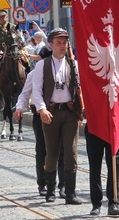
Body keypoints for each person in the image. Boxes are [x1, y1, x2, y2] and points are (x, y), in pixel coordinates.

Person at [31, 28, 83, 205]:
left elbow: (81, 89)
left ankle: (70, 192)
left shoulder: (74, 65)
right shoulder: (42, 65)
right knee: (51, 152)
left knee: (71, 151)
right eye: (58, 42)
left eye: (65, 42)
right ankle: (50, 190)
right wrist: (42, 109)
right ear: (51, 44)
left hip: (69, 113)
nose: (62, 46)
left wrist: (81, 113)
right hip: (51, 112)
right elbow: (36, 90)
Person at [14, 46, 66, 199]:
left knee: (62, 150)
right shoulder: (33, 74)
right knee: (43, 150)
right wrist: (19, 107)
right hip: (40, 116)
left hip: (60, 113)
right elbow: (25, 94)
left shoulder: (62, 71)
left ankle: (62, 185)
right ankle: (42, 183)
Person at [84, 126, 119, 216]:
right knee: (95, 166)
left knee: (114, 167)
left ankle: (113, 203)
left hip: (112, 128)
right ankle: (96, 204)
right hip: (95, 127)